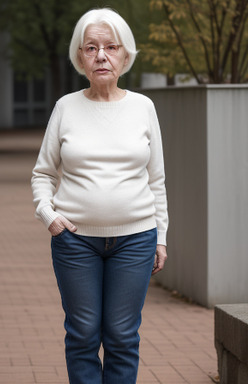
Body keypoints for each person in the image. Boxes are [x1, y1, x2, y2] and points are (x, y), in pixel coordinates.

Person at [31, 7, 168, 384]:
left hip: (135, 240)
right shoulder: (65, 108)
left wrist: (161, 237)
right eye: (91, 48)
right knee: (83, 334)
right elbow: (43, 173)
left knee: (123, 336)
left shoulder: (143, 107)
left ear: (126, 55)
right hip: (75, 241)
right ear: (80, 57)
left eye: (111, 47)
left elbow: (156, 179)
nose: (101, 55)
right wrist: (49, 215)